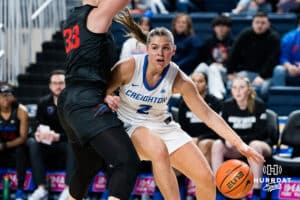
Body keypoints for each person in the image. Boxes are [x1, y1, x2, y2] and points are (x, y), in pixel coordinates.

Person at [108, 11, 265, 200]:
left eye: (166, 48)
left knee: (206, 178)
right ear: (147, 49)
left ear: (173, 50)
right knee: (159, 150)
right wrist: (107, 97)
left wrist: (241, 145)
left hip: (161, 125)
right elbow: (100, 91)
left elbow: (208, 115)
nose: (160, 53)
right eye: (155, 48)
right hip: (129, 125)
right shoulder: (129, 67)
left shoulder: (180, 79)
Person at [57, 1, 140, 200]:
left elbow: (87, 62)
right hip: (85, 101)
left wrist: (105, 92)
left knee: (89, 166)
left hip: (71, 101)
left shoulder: (73, 18)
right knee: (126, 162)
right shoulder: (95, 15)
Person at [211, 76, 272, 200]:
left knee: (255, 145)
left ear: (248, 90)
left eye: (241, 87)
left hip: (259, 146)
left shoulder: (259, 105)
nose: (237, 91)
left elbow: (262, 133)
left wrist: (238, 141)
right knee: (217, 144)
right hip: (236, 148)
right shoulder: (227, 105)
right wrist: (227, 140)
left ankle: (256, 192)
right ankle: (219, 190)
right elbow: (220, 130)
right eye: (234, 88)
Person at [27, 70, 76, 200]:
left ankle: (68, 188)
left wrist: (58, 137)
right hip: (49, 145)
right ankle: (41, 188)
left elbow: (77, 132)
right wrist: (38, 134)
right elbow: (36, 126)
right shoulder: (43, 103)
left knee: (74, 143)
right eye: (54, 83)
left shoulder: (74, 103)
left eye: (61, 83)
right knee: (33, 143)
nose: (58, 86)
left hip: (67, 145)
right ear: (50, 86)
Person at [226, 12, 280, 99]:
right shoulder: (245, 34)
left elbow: (272, 60)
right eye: (257, 22)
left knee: (263, 89)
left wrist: (262, 76)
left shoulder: (274, 38)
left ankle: (261, 111)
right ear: (252, 23)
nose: (259, 25)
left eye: (263, 23)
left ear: (268, 24)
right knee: (232, 85)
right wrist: (230, 72)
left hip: (266, 76)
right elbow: (234, 53)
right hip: (246, 72)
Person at [177, 70, 223, 166]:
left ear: (206, 85)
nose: (196, 84)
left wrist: (199, 138)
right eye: (193, 81)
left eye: (200, 81)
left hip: (209, 138)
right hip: (190, 139)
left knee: (203, 145)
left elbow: (218, 130)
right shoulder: (184, 103)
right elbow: (182, 128)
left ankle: (202, 179)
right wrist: (189, 139)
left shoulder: (215, 103)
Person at [0, 83, 29, 200]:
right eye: (2, 95)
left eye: (8, 95)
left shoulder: (21, 110)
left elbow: (23, 138)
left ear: (13, 97)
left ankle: (20, 189)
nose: (5, 98)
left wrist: (4, 145)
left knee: (20, 149)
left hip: (15, 145)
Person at [197, 15, 234, 99]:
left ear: (229, 28)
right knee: (202, 66)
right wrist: (212, 63)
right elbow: (204, 58)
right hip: (211, 70)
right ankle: (185, 88)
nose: (220, 29)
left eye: (224, 26)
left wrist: (223, 65)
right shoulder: (209, 42)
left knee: (213, 67)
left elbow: (236, 61)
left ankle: (218, 95)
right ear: (214, 28)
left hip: (227, 72)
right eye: (218, 26)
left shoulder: (234, 43)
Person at [272, 17, 300, 86]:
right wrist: (290, 67)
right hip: (291, 68)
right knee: (278, 70)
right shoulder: (289, 37)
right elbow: (283, 58)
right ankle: (280, 96)